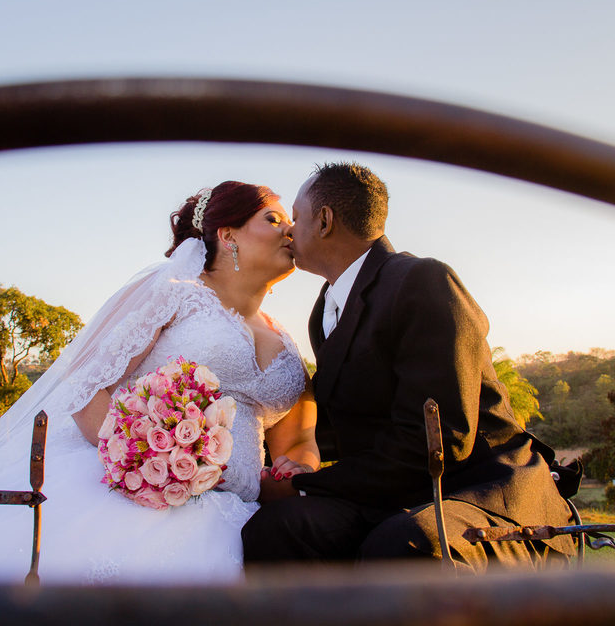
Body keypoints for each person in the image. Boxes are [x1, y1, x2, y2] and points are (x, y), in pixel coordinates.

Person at [0, 181, 319, 585]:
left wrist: (293, 471)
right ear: (227, 233)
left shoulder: (286, 339)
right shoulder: (173, 295)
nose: (291, 229)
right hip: (131, 494)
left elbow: (294, 437)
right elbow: (85, 383)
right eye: (273, 219)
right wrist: (148, 462)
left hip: (240, 513)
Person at [242, 163, 576, 571]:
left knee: (406, 544)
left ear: (325, 220)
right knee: (276, 528)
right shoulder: (323, 312)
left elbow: (443, 440)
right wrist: (245, 454)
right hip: (394, 492)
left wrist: (305, 486)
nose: (289, 230)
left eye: (297, 216)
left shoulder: (422, 280)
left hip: (477, 487)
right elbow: (339, 420)